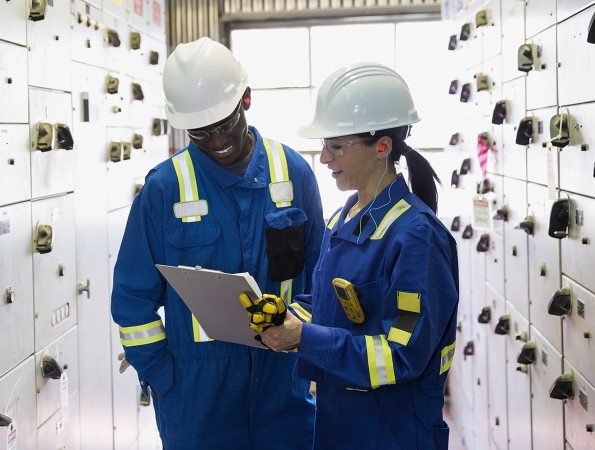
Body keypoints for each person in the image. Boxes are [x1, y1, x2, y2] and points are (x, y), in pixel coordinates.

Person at [110, 37, 324, 449]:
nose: (217, 140)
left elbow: (320, 273)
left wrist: (297, 331)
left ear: (246, 99)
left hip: (283, 385)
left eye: (225, 125)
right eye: (201, 132)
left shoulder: (293, 173)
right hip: (196, 399)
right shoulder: (164, 189)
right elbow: (132, 299)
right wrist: (163, 377)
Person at [250, 62, 459, 450]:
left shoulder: (417, 238)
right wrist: (288, 317)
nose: (324, 158)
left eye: (336, 146)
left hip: (392, 433)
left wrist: (306, 339)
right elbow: (326, 305)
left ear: (382, 147)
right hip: (339, 425)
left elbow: (402, 355)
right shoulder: (343, 219)